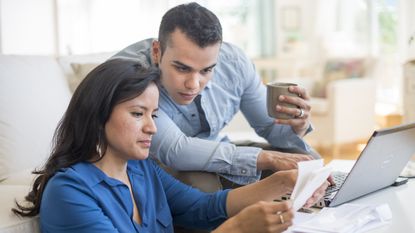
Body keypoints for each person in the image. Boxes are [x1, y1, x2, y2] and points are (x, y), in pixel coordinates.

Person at [12, 59, 328, 233]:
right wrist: (239, 229)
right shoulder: (70, 193)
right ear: (97, 115)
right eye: (137, 114)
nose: (152, 127)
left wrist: (281, 182)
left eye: (154, 114)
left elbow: (202, 208)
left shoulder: (140, 168)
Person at [112, 2, 320, 188]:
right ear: (157, 52)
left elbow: (269, 128)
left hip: (218, 151)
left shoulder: (234, 64)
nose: (193, 84)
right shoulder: (131, 74)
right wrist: (265, 158)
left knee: (306, 162)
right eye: (182, 68)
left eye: (206, 70)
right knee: (201, 185)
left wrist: (297, 126)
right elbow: (175, 150)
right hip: (158, 164)